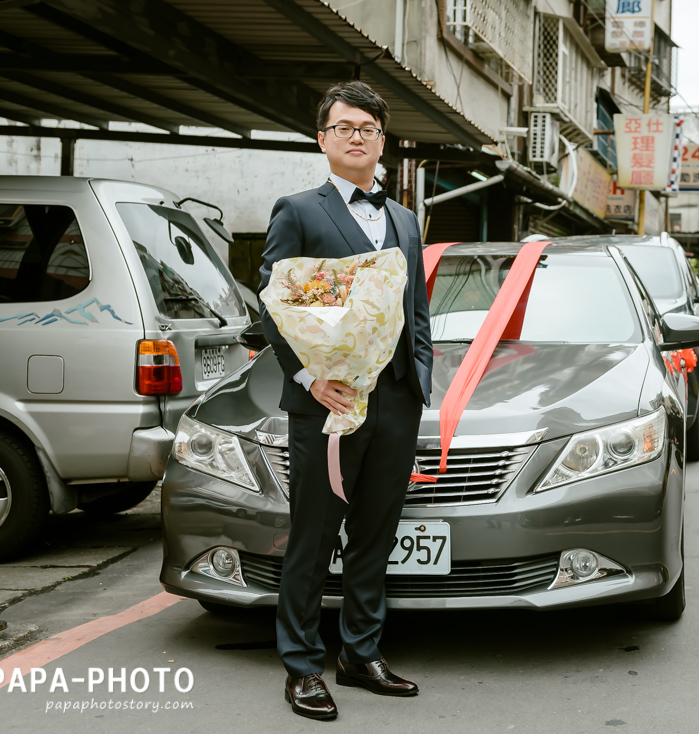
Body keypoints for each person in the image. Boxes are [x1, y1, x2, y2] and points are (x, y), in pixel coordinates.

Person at [258, 81, 433, 721]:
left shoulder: (406, 219)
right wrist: (309, 380)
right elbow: (275, 305)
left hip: (394, 402)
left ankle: (360, 653)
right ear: (324, 139)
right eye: (344, 127)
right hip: (328, 402)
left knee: (375, 535)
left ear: (382, 141)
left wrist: (418, 378)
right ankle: (302, 665)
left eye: (368, 127)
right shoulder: (299, 210)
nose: (356, 136)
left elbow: (417, 312)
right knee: (314, 533)